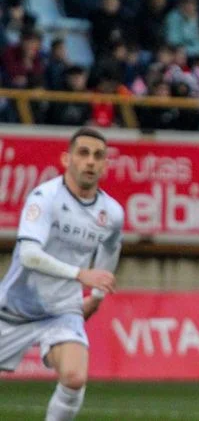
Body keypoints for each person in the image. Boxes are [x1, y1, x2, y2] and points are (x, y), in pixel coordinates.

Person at [0, 127, 124, 421]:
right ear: (66, 159)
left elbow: (110, 249)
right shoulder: (45, 197)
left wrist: (95, 295)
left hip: (61, 311)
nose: (90, 162)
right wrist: (81, 274)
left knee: (74, 377)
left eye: (98, 156)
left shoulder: (112, 212)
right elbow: (30, 255)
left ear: (105, 165)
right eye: (83, 153)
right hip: (12, 309)